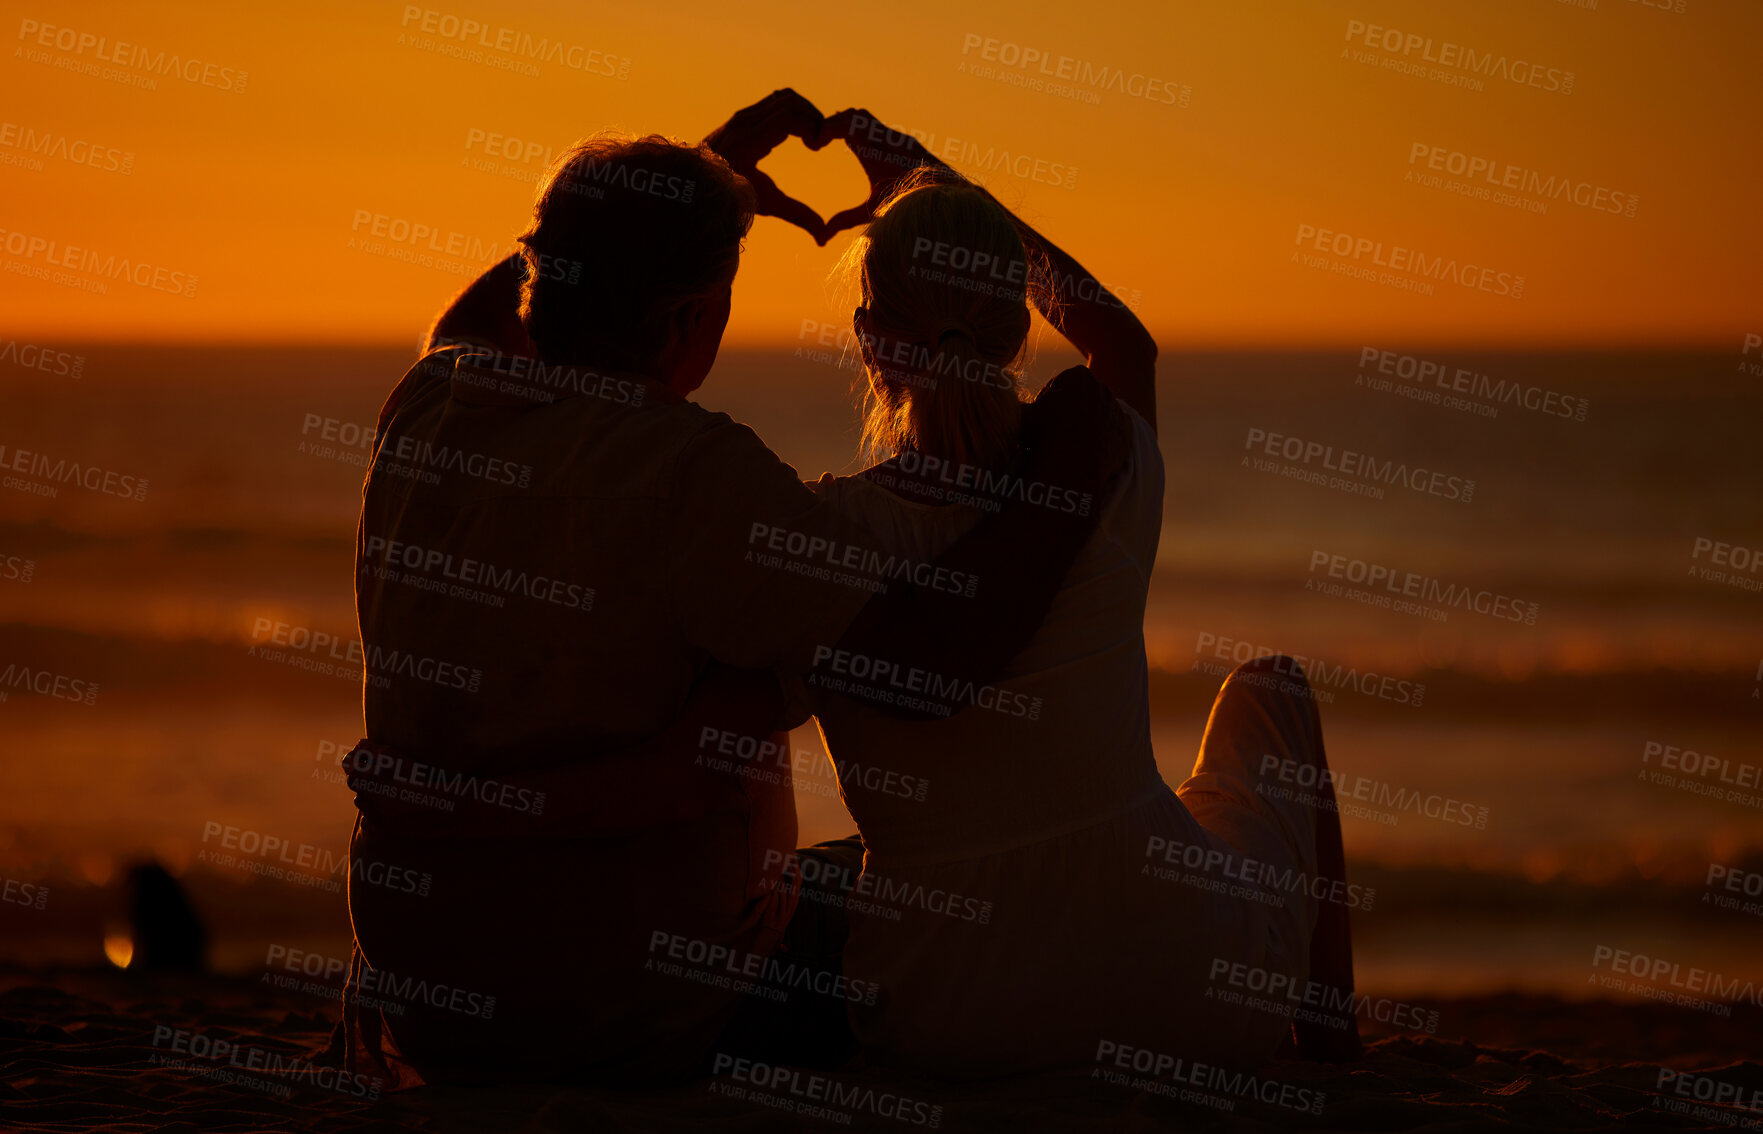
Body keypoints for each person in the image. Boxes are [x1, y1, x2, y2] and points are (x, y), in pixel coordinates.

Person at [338, 91, 1130, 1088]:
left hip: (429, 994)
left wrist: (699, 174)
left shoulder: (429, 405)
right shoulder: (696, 474)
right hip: (643, 1004)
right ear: (682, 316)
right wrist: (1068, 470)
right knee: (923, 910)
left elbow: (469, 317)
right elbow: (929, 661)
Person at [778, 108, 1362, 1078]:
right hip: (1190, 998)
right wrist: (923, 174)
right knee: (1272, 691)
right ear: (1014, 332)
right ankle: (1331, 1046)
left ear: (866, 339)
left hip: (943, 1019)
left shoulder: (822, 529)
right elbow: (1120, 343)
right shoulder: (1111, 461)